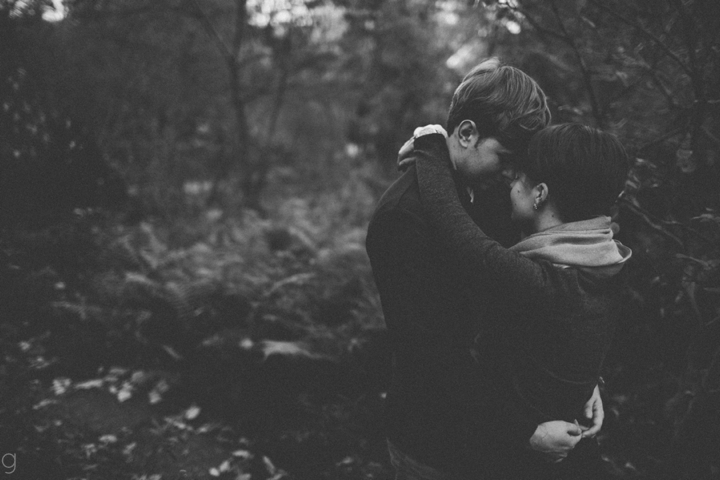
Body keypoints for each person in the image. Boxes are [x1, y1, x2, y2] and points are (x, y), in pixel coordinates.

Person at [365, 58, 603, 480]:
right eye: (507, 156)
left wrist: (577, 377)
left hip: (493, 442)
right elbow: (431, 355)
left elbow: (536, 300)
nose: (515, 173)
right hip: (433, 445)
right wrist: (524, 431)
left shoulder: (491, 193)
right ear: (467, 133)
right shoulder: (403, 219)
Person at [406, 122, 631, 479]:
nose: (510, 184)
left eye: (518, 179)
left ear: (539, 194)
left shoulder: (545, 283)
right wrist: (585, 381)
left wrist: (429, 148)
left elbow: (460, 238)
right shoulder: (606, 261)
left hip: (514, 460)